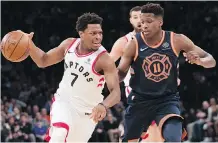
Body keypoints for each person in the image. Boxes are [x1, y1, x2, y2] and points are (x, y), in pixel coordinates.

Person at [117, 3, 216, 142]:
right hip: (140, 101)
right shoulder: (134, 44)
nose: (144, 25)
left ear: (160, 22)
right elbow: (120, 73)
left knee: (173, 138)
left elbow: (211, 60)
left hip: (166, 100)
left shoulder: (176, 40)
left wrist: (200, 61)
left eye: (149, 22)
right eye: (142, 22)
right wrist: (108, 79)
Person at [20, 13, 121, 142]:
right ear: (81, 33)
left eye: (100, 33)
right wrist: (28, 44)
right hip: (64, 101)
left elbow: (116, 93)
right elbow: (43, 60)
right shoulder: (69, 45)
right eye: (93, 33)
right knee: (59, 134)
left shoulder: (104, 59)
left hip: (88, 113)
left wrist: (104, 105)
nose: (98, 37)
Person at [110, 6, 141, 97]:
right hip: (136, 90)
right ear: (131, 20)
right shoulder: (124, 41)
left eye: (141, 16)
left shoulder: (158, 38)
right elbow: (107, 63)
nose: (139, 20)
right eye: (135, 17)